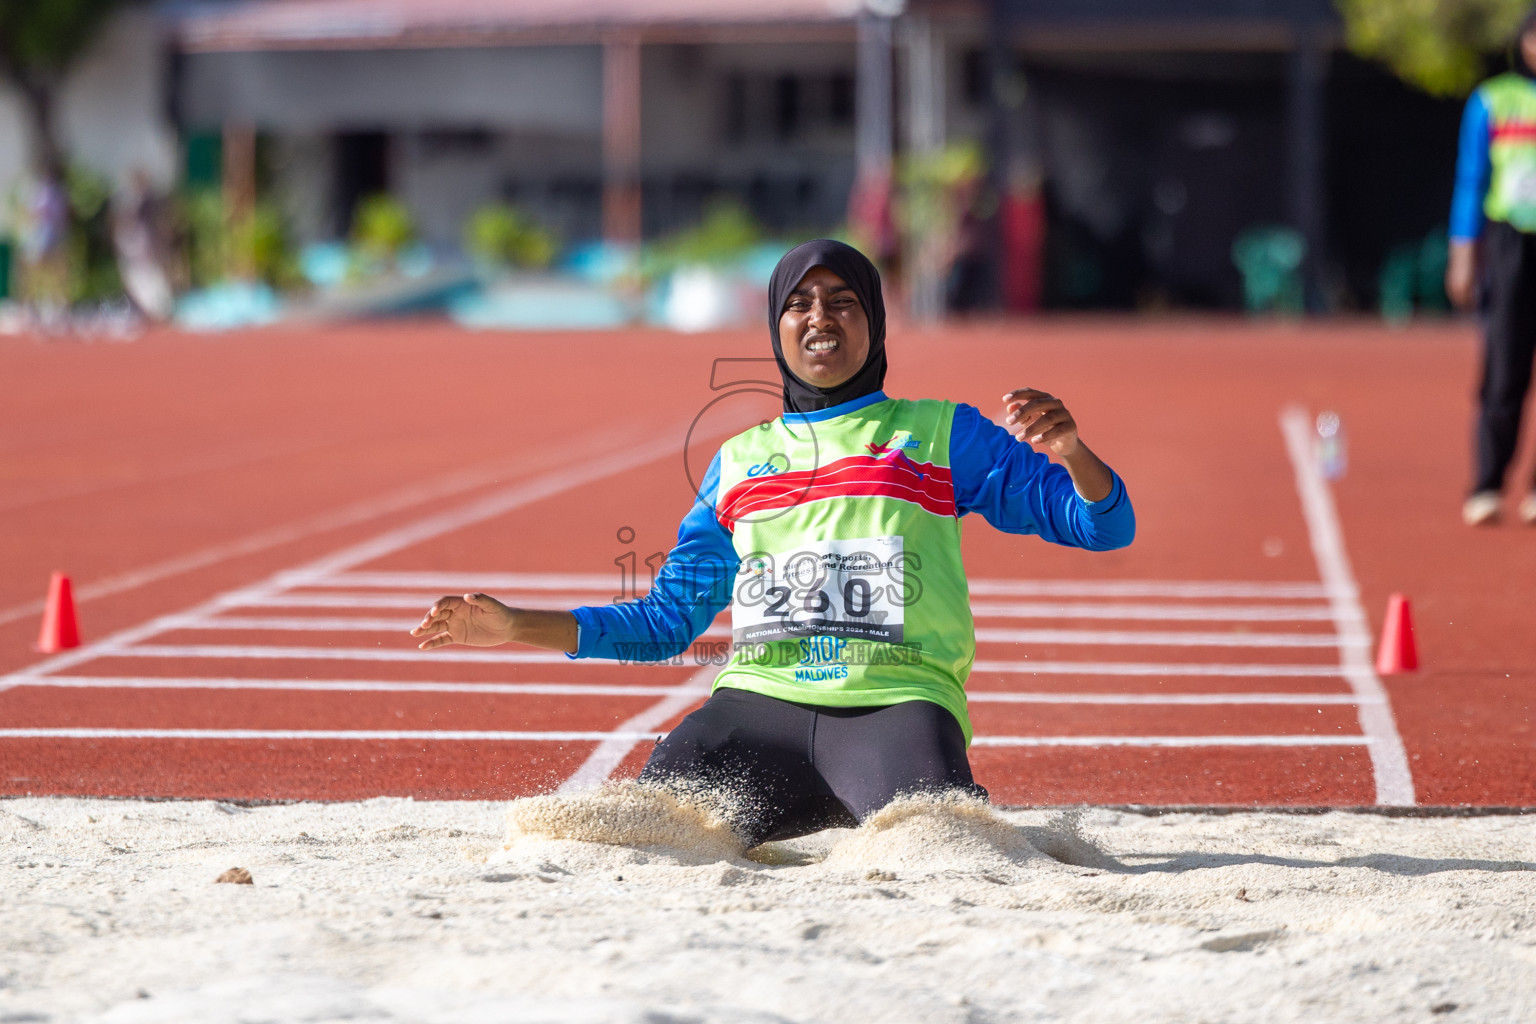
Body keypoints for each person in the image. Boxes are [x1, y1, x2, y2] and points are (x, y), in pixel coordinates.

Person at [411, 239, 1135, 847]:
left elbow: (1103, 526)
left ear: (874, 323)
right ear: (777, 328)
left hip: (896, 708)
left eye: (843, 301)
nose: (820, 317)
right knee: (637, 833)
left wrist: (1073, 453)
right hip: (754, 709)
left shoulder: (945, 433)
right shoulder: (737, 460)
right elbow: (667, 623)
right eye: (801, 303)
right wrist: (512, 626)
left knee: (940, 843)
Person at [1447, 6, 1536, 526]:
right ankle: (1487, 484)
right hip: (1510, 246)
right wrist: (1464, 253)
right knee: (1504, 366)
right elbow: (1471, 178)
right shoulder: (1492, 100)